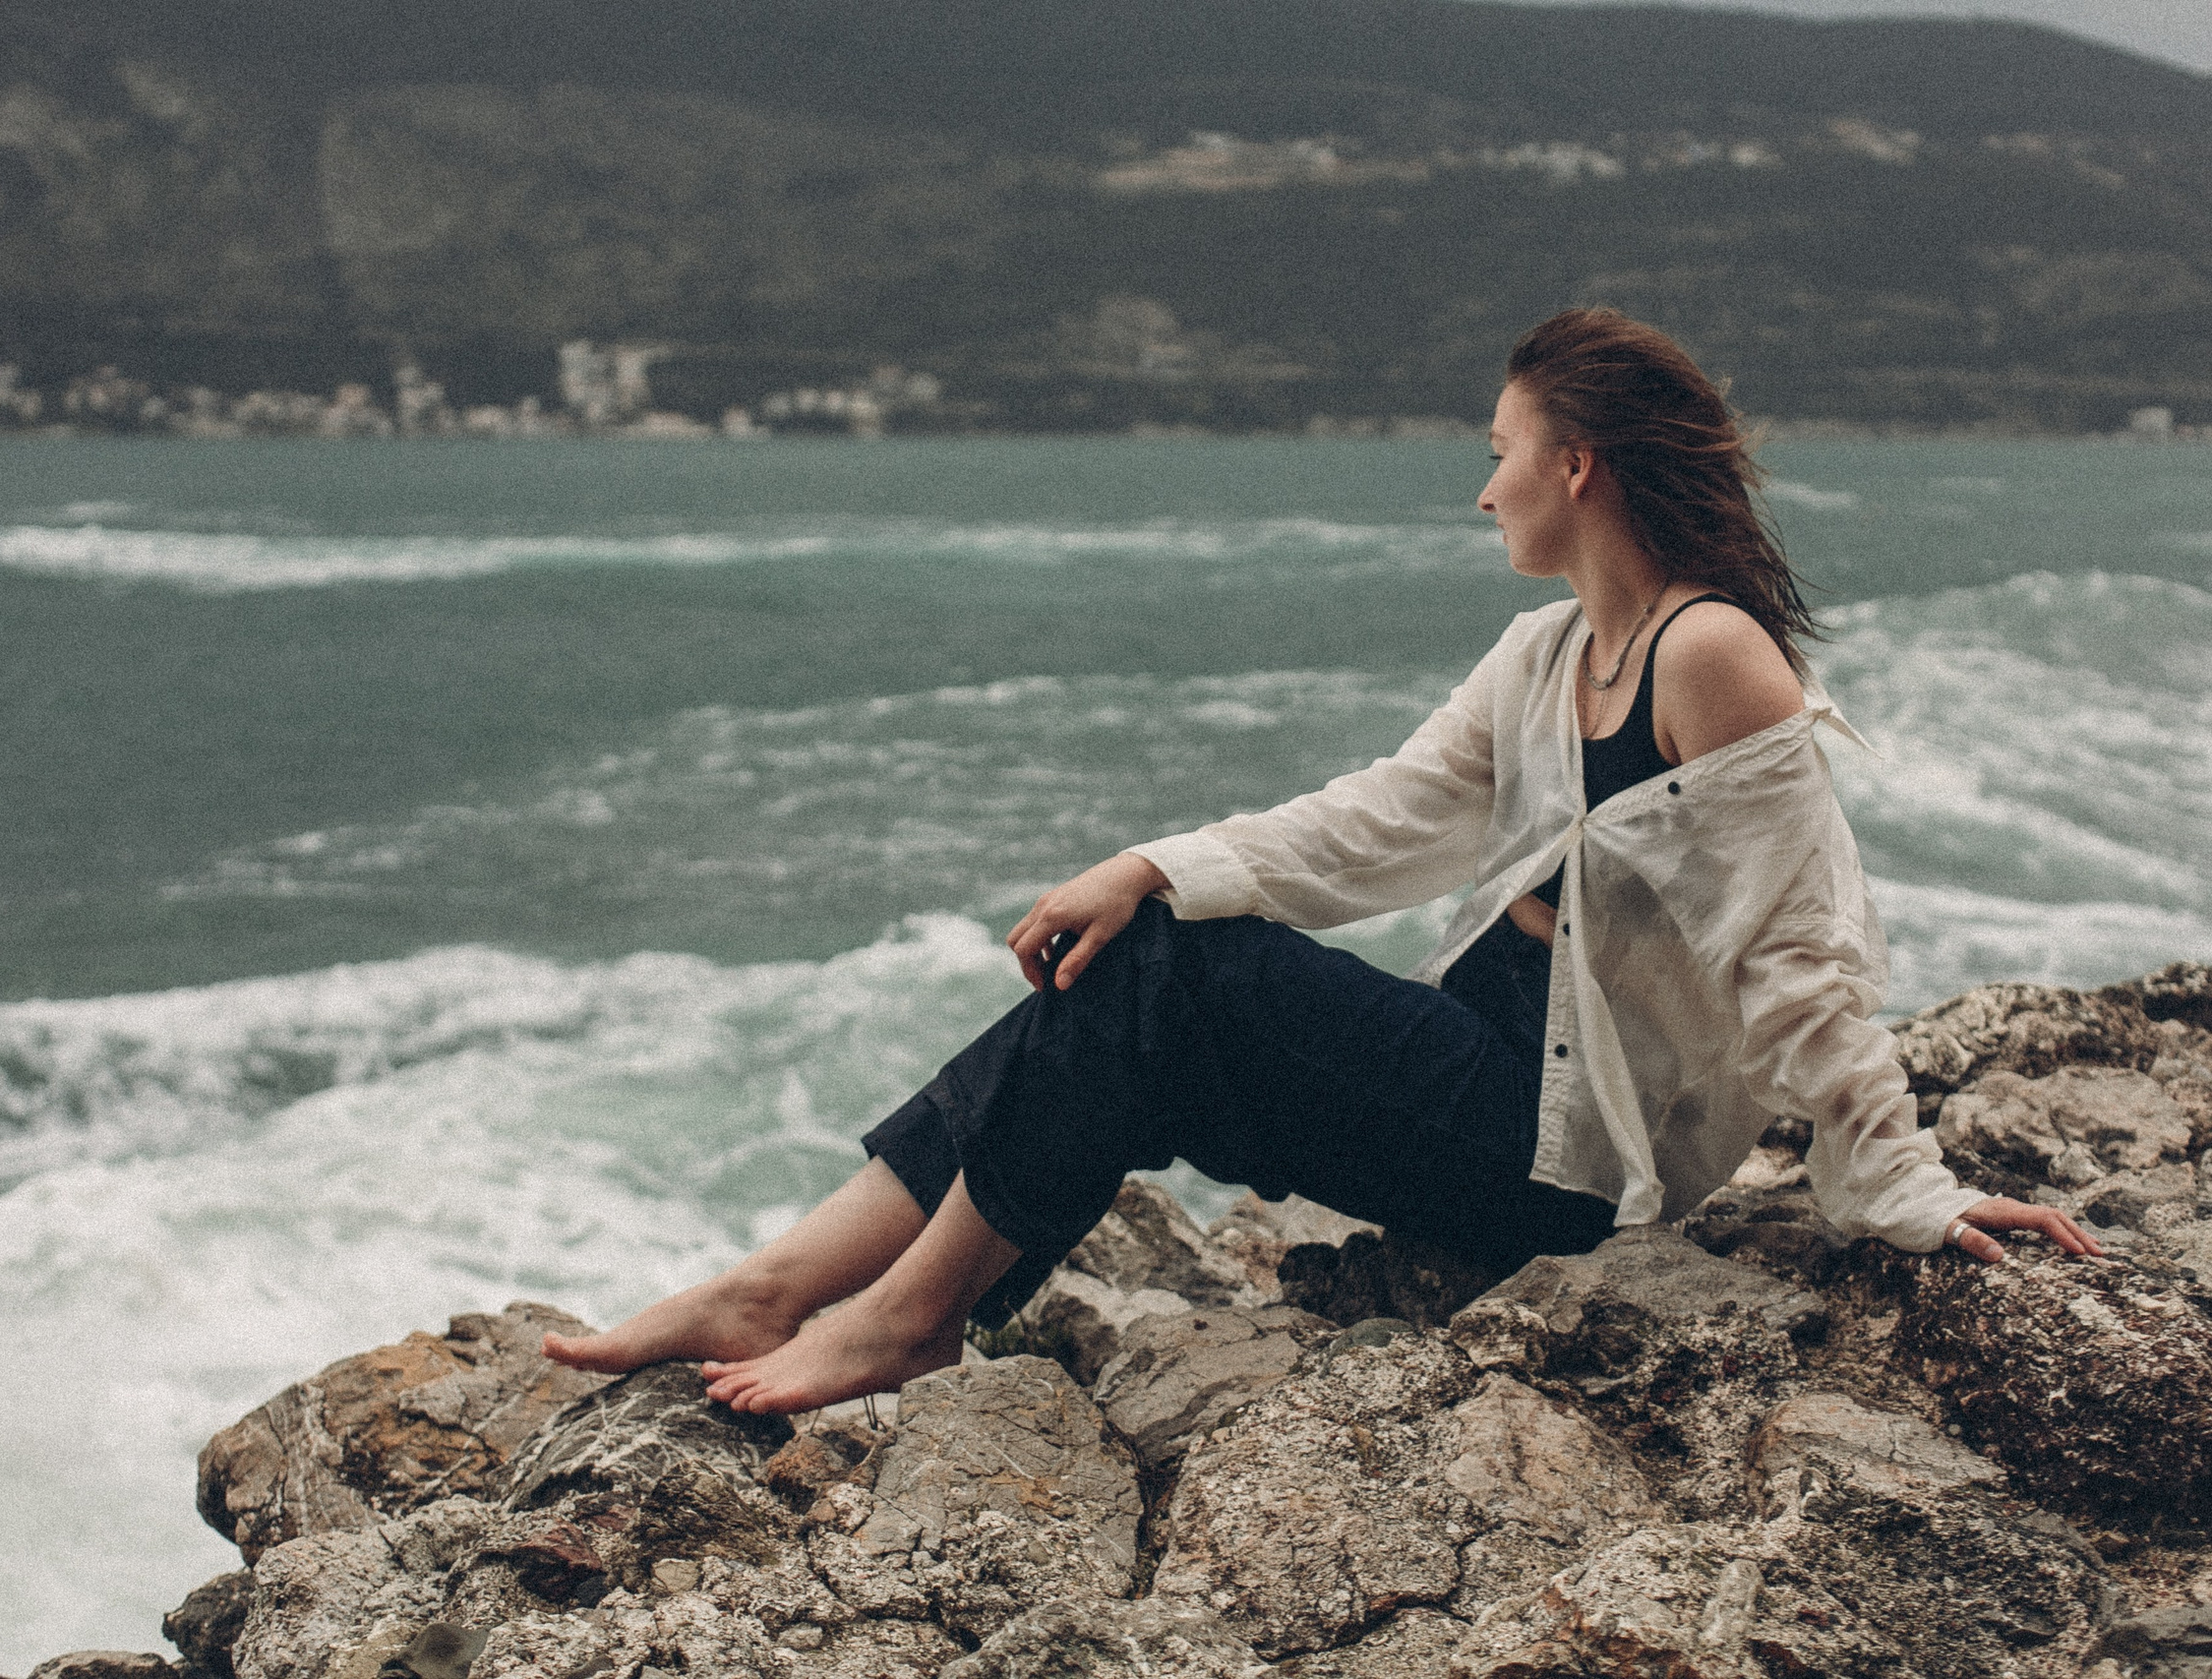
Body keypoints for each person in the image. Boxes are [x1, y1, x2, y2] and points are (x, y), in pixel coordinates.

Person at [542, 308, 2102, 1414]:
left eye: (1500, 450)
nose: (1481, 486)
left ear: (1578, 467)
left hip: (1556, 1157)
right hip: (1482, 1068)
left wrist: (1901, 1187)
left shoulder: (1712, 657)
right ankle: (774, 1288)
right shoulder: (1546, 653)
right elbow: (1380, 822)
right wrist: (1149, 864)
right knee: (1123, 980)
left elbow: (1799, 947)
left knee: (1169, 973)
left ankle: (902, 1317)